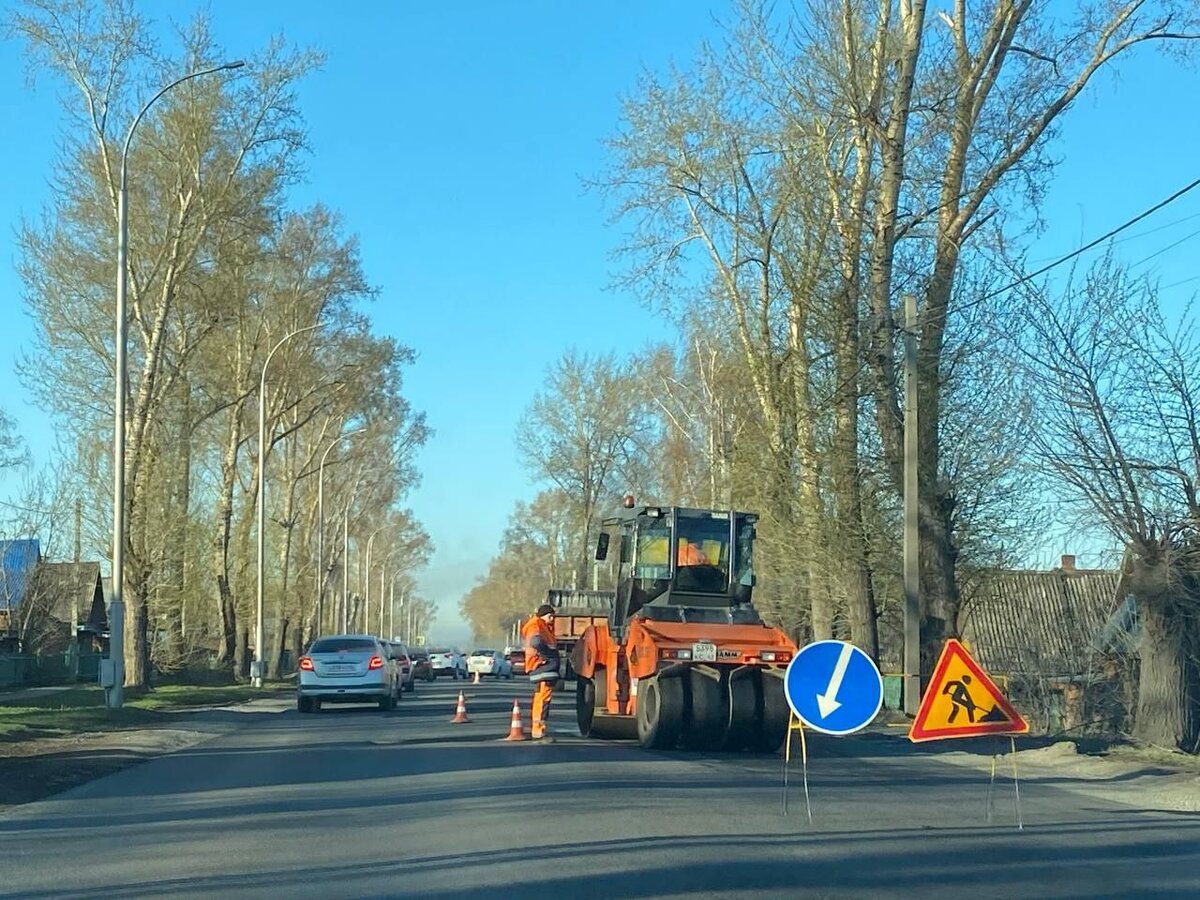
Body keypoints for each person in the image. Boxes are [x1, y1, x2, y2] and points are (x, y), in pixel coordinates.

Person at [522, 603, 560, 741]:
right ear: (543, 615)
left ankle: (537, 729)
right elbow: (536, 642)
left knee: (540, 698)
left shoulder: (542, 626)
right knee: (544, 699)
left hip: (542, 667)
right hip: (542, 666)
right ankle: (539, 730)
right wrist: (549, 655)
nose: (552, 619)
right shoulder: (536, 625)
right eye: (550, 616)